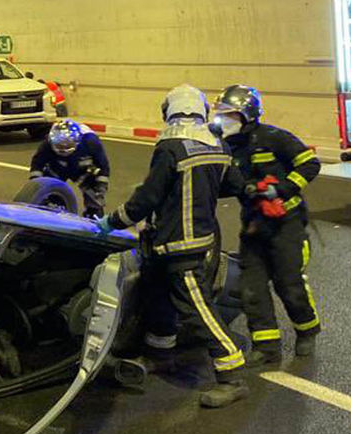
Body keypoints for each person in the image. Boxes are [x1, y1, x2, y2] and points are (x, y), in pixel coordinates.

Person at [101, 84, 249, 408]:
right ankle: (160, 355)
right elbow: (234, 186)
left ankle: (232, 371)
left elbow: (148, 197)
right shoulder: (216, 145)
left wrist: (113, 221)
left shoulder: (170, 147)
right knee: (159, 301)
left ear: (169, 110)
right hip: (184, 244)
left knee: (196, 310)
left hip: (181, 247)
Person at [213, 84, 322, 365]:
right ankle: (267, 346)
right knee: (252, 287)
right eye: (221, 114)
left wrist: (283, 189)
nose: (222, 120)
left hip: (287, 223)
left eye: (229, 114)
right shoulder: (226, 148)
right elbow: (225, 185)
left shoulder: (275, 138)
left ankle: (307, 330)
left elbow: (310, 165)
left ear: (246, 114)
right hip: (254, 226)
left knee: (288, 282)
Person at [29, 119, 110, 217]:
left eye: (66, 147)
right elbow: (37, 163)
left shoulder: (91, 141)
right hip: (58, 166)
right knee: (48, 187)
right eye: (60, 147)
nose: (63, 150)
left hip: (82, 168)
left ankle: (93, 215)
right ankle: (51, 208)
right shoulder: (48, 142)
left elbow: (103, 166)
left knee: (94, 196)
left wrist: (101, 187)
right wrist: (36, 184)